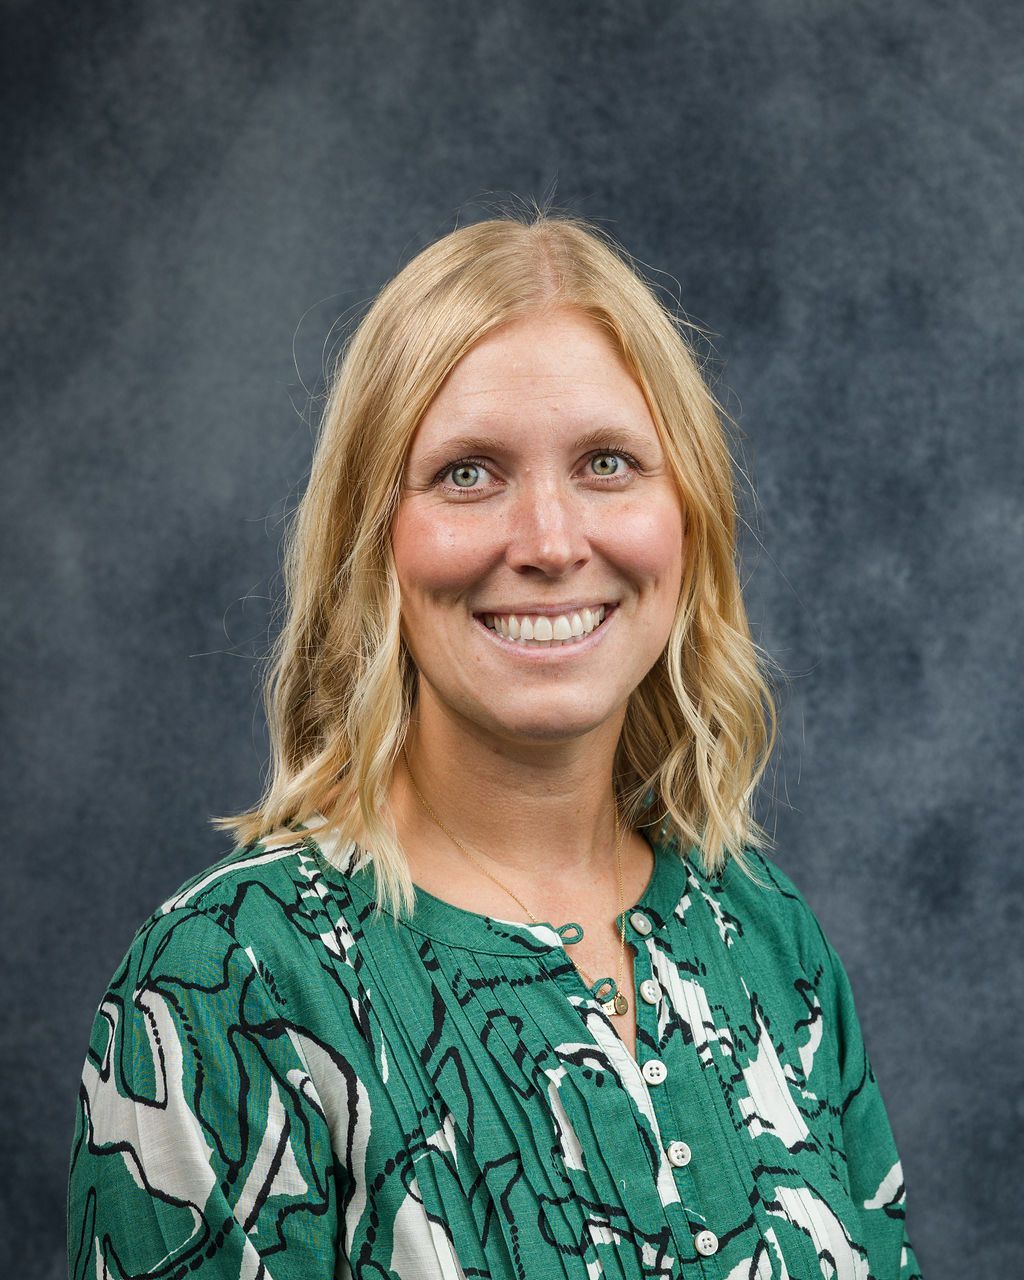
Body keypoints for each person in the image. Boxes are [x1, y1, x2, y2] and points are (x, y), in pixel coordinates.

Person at [67, 211, 921, 1279]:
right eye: (469, 473)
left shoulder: (762, 936)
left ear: (687, 516)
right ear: (371, 536)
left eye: (607, 462)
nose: (552, 542)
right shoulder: (230, 979)